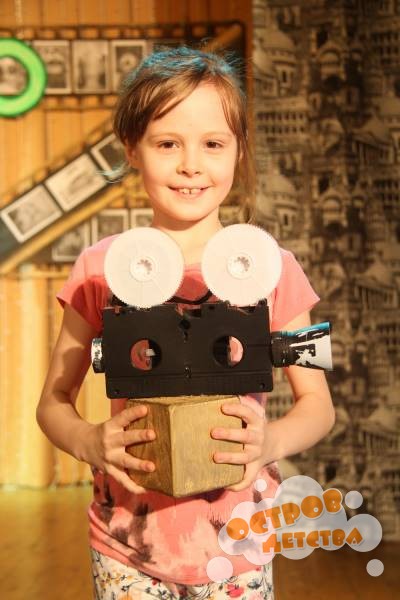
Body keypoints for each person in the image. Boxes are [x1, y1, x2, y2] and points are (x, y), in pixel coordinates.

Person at [37, 46, 335, 600]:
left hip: (239, 549)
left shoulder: (276, 269)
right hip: (126, 548)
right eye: (167, 143)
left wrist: (271, 441)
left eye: (213, 144)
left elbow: (319, 405)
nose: (191, 164)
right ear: (132, 148)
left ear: (239, 148)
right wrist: (88, 440)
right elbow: (52, 402)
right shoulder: (97, 270)